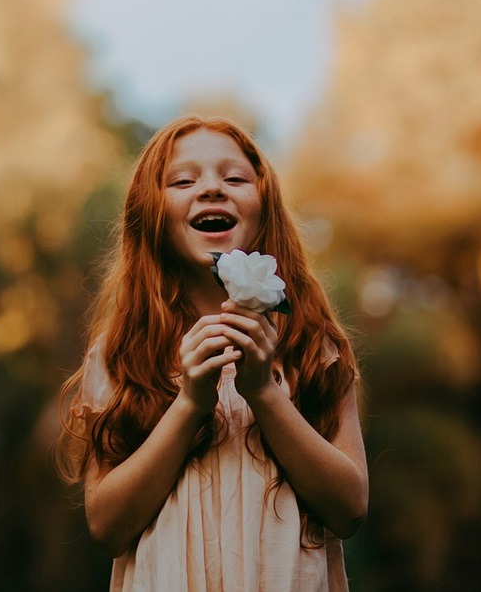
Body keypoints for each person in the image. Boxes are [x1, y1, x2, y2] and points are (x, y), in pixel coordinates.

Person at [57, 116, 368, 591]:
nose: (211, 189)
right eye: (183, 180)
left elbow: (350, 509)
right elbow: (106, 526)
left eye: (235, 178)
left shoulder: (311, 345)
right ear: (153, 215)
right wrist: (189, 405)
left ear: (264, 208)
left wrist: (264, 392)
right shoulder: (121, 355)